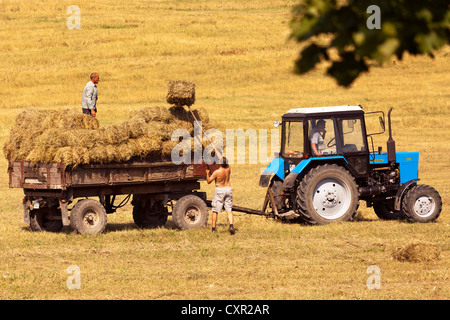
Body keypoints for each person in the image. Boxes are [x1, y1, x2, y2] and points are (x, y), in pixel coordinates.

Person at [206, 157, 235, 235]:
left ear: (220, 163)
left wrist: (207, 173)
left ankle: (213, 229)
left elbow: (208, 181)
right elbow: (222, 159)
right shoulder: (228, 168)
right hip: (228, 189)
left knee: (215, 210)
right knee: (229, 210)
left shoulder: (217, 172)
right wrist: (215, 148)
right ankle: (231, 226)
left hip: (220, 190)